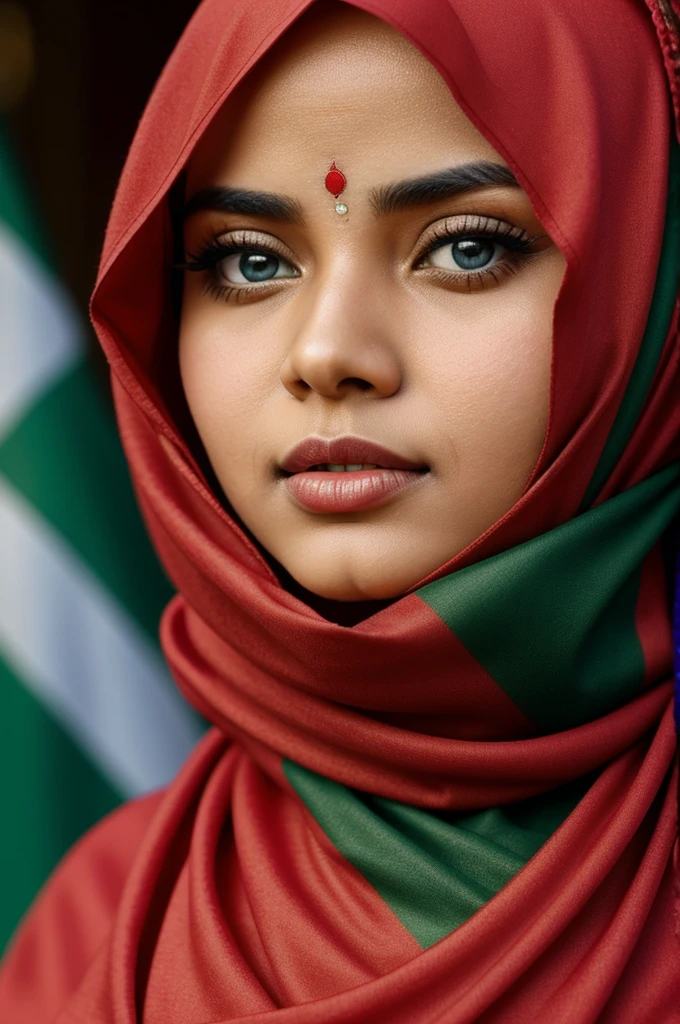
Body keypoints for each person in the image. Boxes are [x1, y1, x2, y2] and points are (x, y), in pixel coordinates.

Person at [1, 0, 679, 1020]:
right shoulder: (104, 929)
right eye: (248, 260)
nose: (326, 354)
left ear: (651, 292)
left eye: (461, 248)